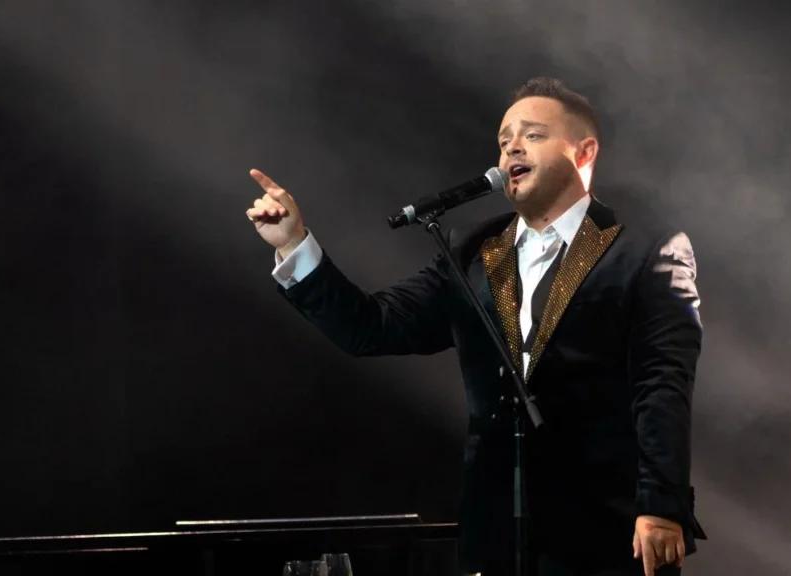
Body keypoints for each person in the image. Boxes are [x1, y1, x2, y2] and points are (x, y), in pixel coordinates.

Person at [245, 77, 706, 576]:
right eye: (504, 138)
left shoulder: (644, 249)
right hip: (497, 531)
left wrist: (660, 502)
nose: (511, 148)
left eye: (532, 135)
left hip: (608, 529)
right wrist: (294, 245)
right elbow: (371, 327)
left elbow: (663, 383)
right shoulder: (473, 254)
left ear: (584, 151)